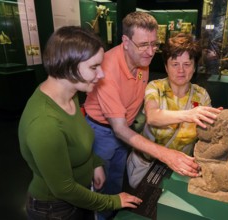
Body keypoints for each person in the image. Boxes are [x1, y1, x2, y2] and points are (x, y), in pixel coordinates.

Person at [83, 11, 205, 219]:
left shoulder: (142, 61)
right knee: (98, 186)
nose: (150, 52)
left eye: (154, 44)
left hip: (125, 131)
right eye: (143, 45)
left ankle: (111, 214)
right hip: (102, 132)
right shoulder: (108, 68)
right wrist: (166, 155)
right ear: (126, 41)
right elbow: (119, 128)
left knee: (115, 182)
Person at [18, 26, 142, 220]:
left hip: (79, 199)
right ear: (69, 66)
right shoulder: (44, 124)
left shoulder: (70, 94)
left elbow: (78, 139)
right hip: (55, 210)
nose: (101, 74)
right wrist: (113, 201)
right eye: (94, 67)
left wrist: (95, 163)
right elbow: (64, 189)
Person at [128, 33, 222, 187]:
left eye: (187, 64)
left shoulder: (201, 95)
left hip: (179, 166)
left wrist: (216, 123)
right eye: (175, 64)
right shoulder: (155, 88)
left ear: (194, 67)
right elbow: (152, 117)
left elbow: (207, 133)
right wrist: (189, 115)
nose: (181, 70)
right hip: (148, 165)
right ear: (166, 66)